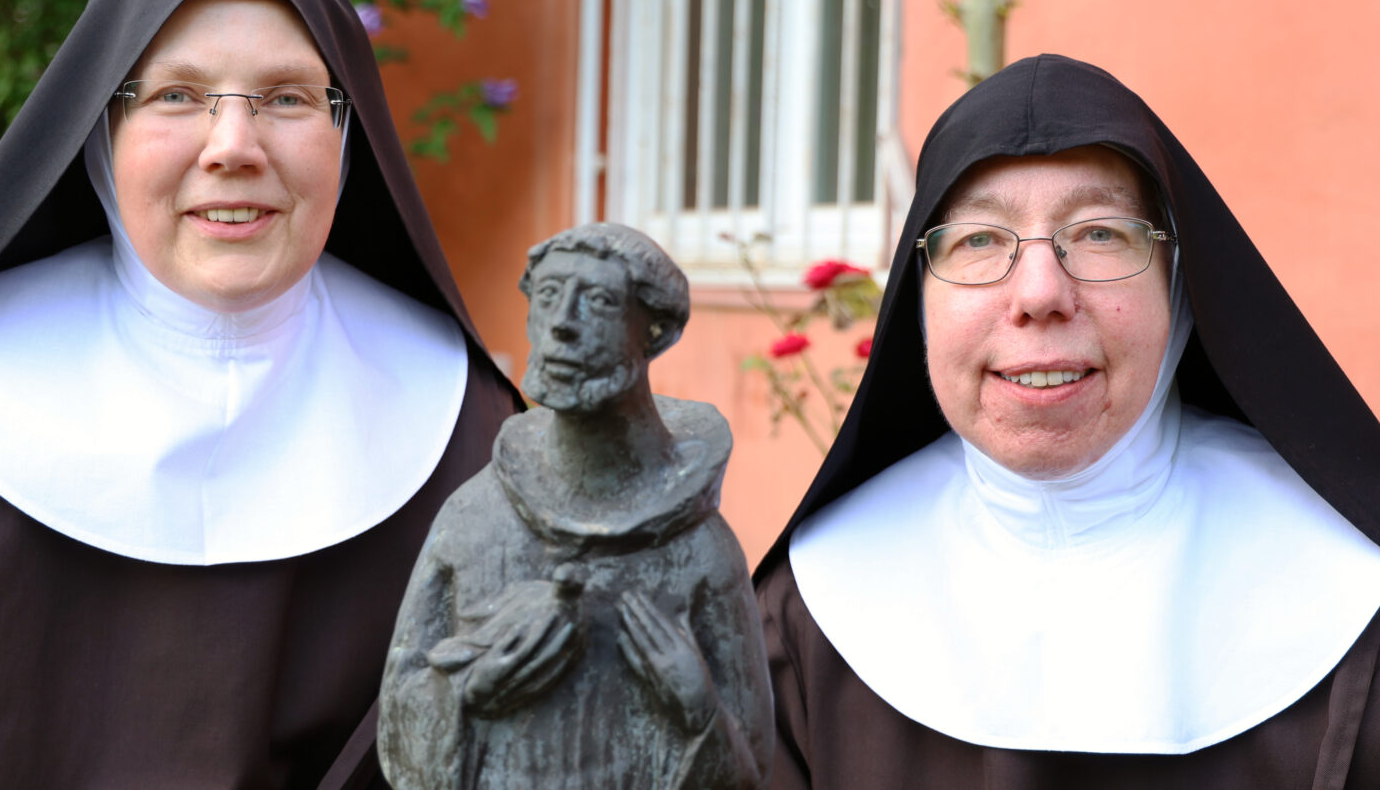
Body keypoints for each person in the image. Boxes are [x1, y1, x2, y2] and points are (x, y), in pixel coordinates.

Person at [0, 0, 519, 786]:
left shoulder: (471, 434)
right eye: (176, 95)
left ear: (347, 135)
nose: (233, 145)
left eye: (287, 99)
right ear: (101, 130)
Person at [755, 54, 1380, 788]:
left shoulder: (1350, 595)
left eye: (1100, 234)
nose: (1040, 293)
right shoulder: (806, 615)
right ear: (918, 301)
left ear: (1180, 290)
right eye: (979, 240)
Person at [378, 223, 772, 789]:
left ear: (654, 333)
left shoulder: (701, 549)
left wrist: (699, 710)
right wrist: (467, 693)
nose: (562, 324)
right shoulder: (474, 519)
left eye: (600, 301)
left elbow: (752, 767)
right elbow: (399, 715)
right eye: (547, 296)